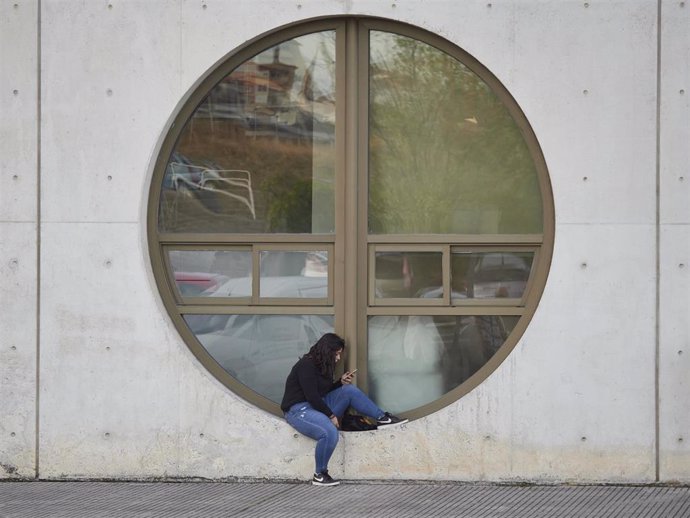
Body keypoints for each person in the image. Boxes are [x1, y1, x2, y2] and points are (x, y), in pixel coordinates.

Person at [281, 333, 408, 486]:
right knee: (329, 433)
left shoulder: (324, 365)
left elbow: (322, 393)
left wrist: (340, 382)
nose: (339, 358)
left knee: (348, 390)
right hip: (298, 410)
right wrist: (331, 415)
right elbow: (312, 396)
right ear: (328, 351)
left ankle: (382, 418)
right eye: (337, 353)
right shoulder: (306, 365)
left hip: (317, 404)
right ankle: (320, 474)